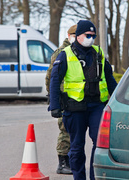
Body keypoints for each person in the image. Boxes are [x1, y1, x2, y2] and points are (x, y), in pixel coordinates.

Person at [49, 20, 117, 180]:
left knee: (99, 143)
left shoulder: (98, 53)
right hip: (74, 108)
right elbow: (54, 80)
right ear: (78, 35)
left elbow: (110, 79)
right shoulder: (65, 54)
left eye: (93, 36)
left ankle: (94, 177)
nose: (91, 38)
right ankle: (79, 177)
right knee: (77, 146)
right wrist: (54, 105)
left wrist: (117, 100)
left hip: (96, 106)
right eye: (87, 35)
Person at [45, 24, 77, 174]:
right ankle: (62, 163)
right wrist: (53, 98)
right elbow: (51, 77)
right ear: (70, 35)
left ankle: (70, 161)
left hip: (75, 98)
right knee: (65, 131)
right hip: (64, 98)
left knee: (73, 131)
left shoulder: (77, 51)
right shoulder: (61, 52)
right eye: (76, 35)